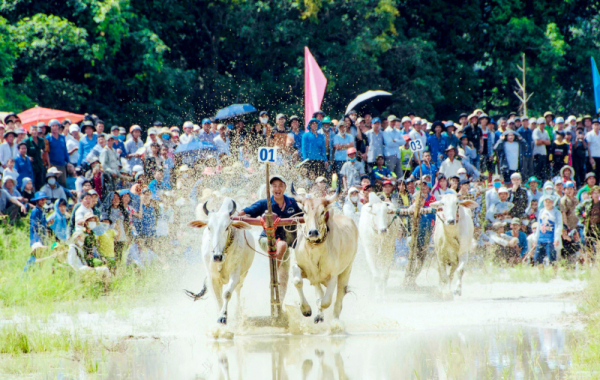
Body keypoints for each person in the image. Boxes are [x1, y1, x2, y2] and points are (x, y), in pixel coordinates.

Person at [238, 176, 303, 300]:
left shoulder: (291, 202)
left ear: (284, 187)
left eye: (280, 185)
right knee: (282, 245)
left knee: (284, 276)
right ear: (270, 188)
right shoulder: (264, 203)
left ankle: (280, 303)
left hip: (285, 245)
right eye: (274, 186)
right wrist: (236, 215)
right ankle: (273, 276)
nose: (277, 188)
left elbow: (302, 215)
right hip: (267, 239)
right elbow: (247, 210)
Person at [534, 195, 563, 265]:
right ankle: (541, 274)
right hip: (541, 238)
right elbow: (538, 225)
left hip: (551, 239)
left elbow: (559, 226)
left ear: (552, 202)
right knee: (537, 258)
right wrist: (536, 238)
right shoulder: (541, 211)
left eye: (549, 202)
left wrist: (556, 238)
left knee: (552, 259)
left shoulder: (556, 213)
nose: (547, 203)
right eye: (546, 201)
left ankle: (554, 274)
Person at [575, 185, 600, 251]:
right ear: (591, 194)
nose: (596, 195)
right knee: (589, 246)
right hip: (589, 227)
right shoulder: (587, 203)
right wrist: (582, 220)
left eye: (598, 193)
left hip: (598, 227)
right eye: (594, 193)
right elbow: (577, 210)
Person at [46, 119, 70, 187]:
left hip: (62, 164)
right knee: (54, 182)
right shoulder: (48, 138)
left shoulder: (62, 137)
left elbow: (65, 150)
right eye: (53, 126)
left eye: (56, 126)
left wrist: (68, 162)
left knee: (63, 182)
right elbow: (47, 152)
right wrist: (48, 164)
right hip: (53, 164)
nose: (54, 127)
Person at [25, 125, 46, 190]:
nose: (34, 132)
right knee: (32, 183)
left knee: (41, 183)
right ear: (30, 132)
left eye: (35, 130)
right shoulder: (27, 141)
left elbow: (44, 150)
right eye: (33, 130)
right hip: (31, 166)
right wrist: (28, 157)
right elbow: (23, 152)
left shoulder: (41, 140)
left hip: (40, 165)